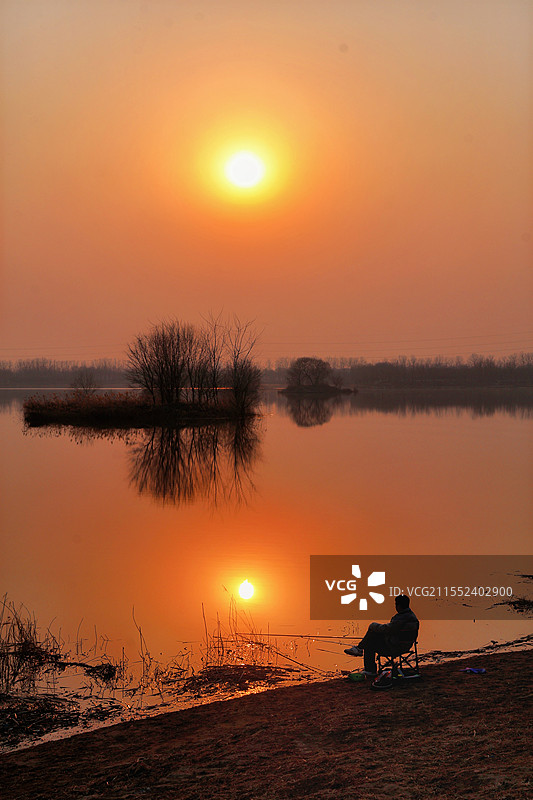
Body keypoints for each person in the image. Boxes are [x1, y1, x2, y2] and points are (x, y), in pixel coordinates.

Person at [344, 594, 419, 675]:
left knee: (370, 642)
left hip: (395, 647)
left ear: (399, 605)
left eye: (396, 605)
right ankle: (359, 649)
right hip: (406, 646)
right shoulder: (412, 616)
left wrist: (373, 625)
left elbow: (388, 629)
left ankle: (369, 668)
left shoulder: (401, 618)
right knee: (373, 636)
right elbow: (393, 630)